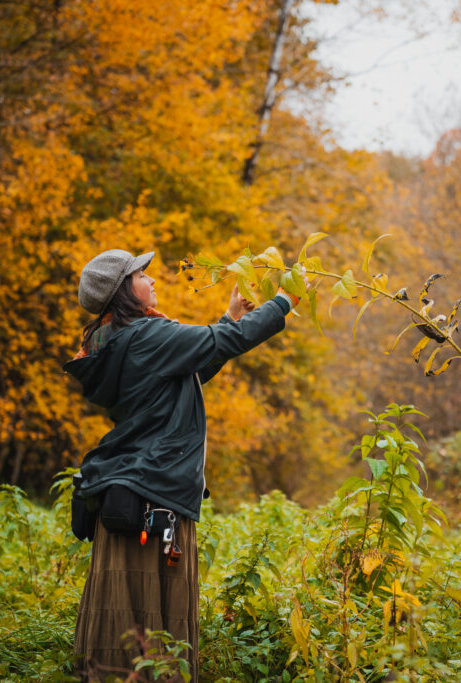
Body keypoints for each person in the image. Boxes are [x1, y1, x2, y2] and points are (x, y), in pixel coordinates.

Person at [63, 248, 302, 682]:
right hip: (156, 493)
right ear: (123, 291)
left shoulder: (117, 339)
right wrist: (283, 302)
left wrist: (227, 318)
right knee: (158, 623)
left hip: (130, 488)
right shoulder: (148, 337)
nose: (151, 280)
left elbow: (187, 372)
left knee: (122, 620)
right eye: (141, 274)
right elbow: (225, 342)